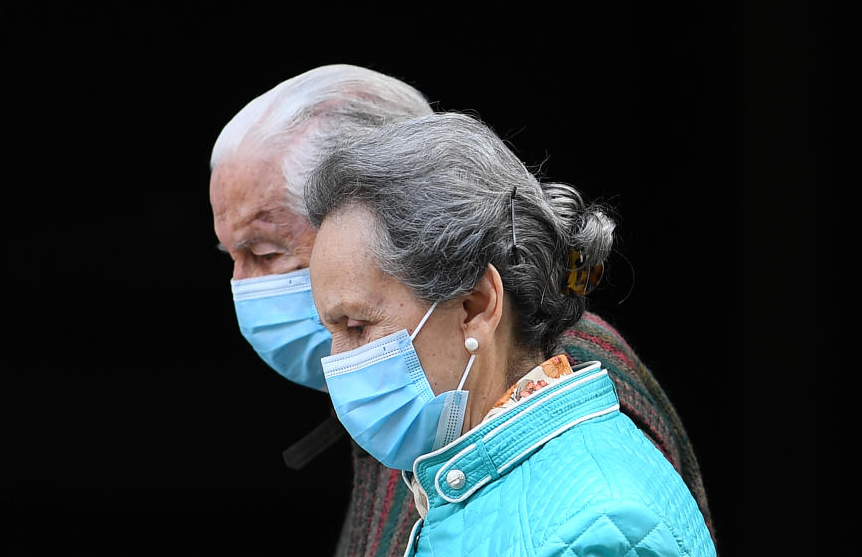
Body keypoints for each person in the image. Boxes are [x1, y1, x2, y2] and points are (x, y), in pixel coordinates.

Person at [208, 65, 715, 556]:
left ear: (476, 305)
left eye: (267, 251)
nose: (337, 361)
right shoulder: (449, 434)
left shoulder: (599, 516)